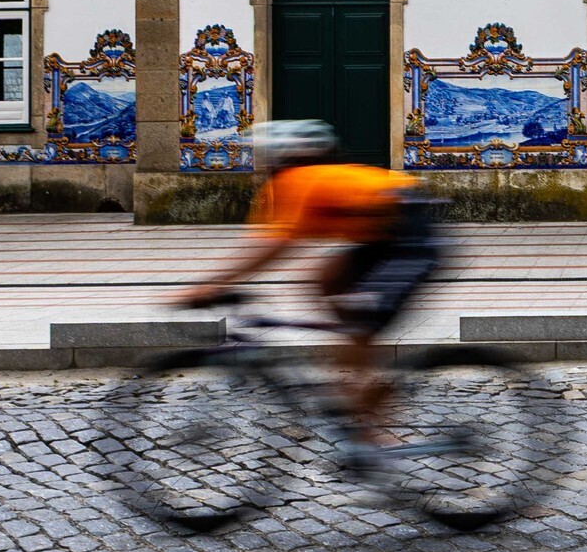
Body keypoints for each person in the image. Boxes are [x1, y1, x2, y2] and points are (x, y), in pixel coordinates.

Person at [172, 119, 440, 467]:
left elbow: (275, 246)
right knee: (324, 284)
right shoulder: (300, 182)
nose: (262, 163)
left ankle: (372, 428)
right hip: (381, 241)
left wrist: (214, 285)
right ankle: (355, 380)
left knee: (362, 325)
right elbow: (271, 241)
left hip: (412, 242)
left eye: (265, 156)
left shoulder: (301, 179)